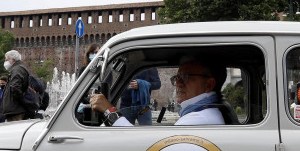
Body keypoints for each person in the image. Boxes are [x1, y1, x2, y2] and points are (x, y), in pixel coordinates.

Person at [91, 56, 225, 126]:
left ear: (209, 84)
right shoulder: (201, 112)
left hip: (143, 106)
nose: (178, 83)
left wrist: (142, 85)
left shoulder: (196, 120)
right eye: (177, 77)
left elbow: (147, 149)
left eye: (185, 77)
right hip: (127, 105)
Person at [0, 50, 31, 122]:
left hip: (15, 110)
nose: (5, 62)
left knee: (13, 130)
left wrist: (21, 101)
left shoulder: (17, 69)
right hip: (15, 109)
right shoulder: (18, 68)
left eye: (7, 60)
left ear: (13, 60)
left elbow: (15, 88)